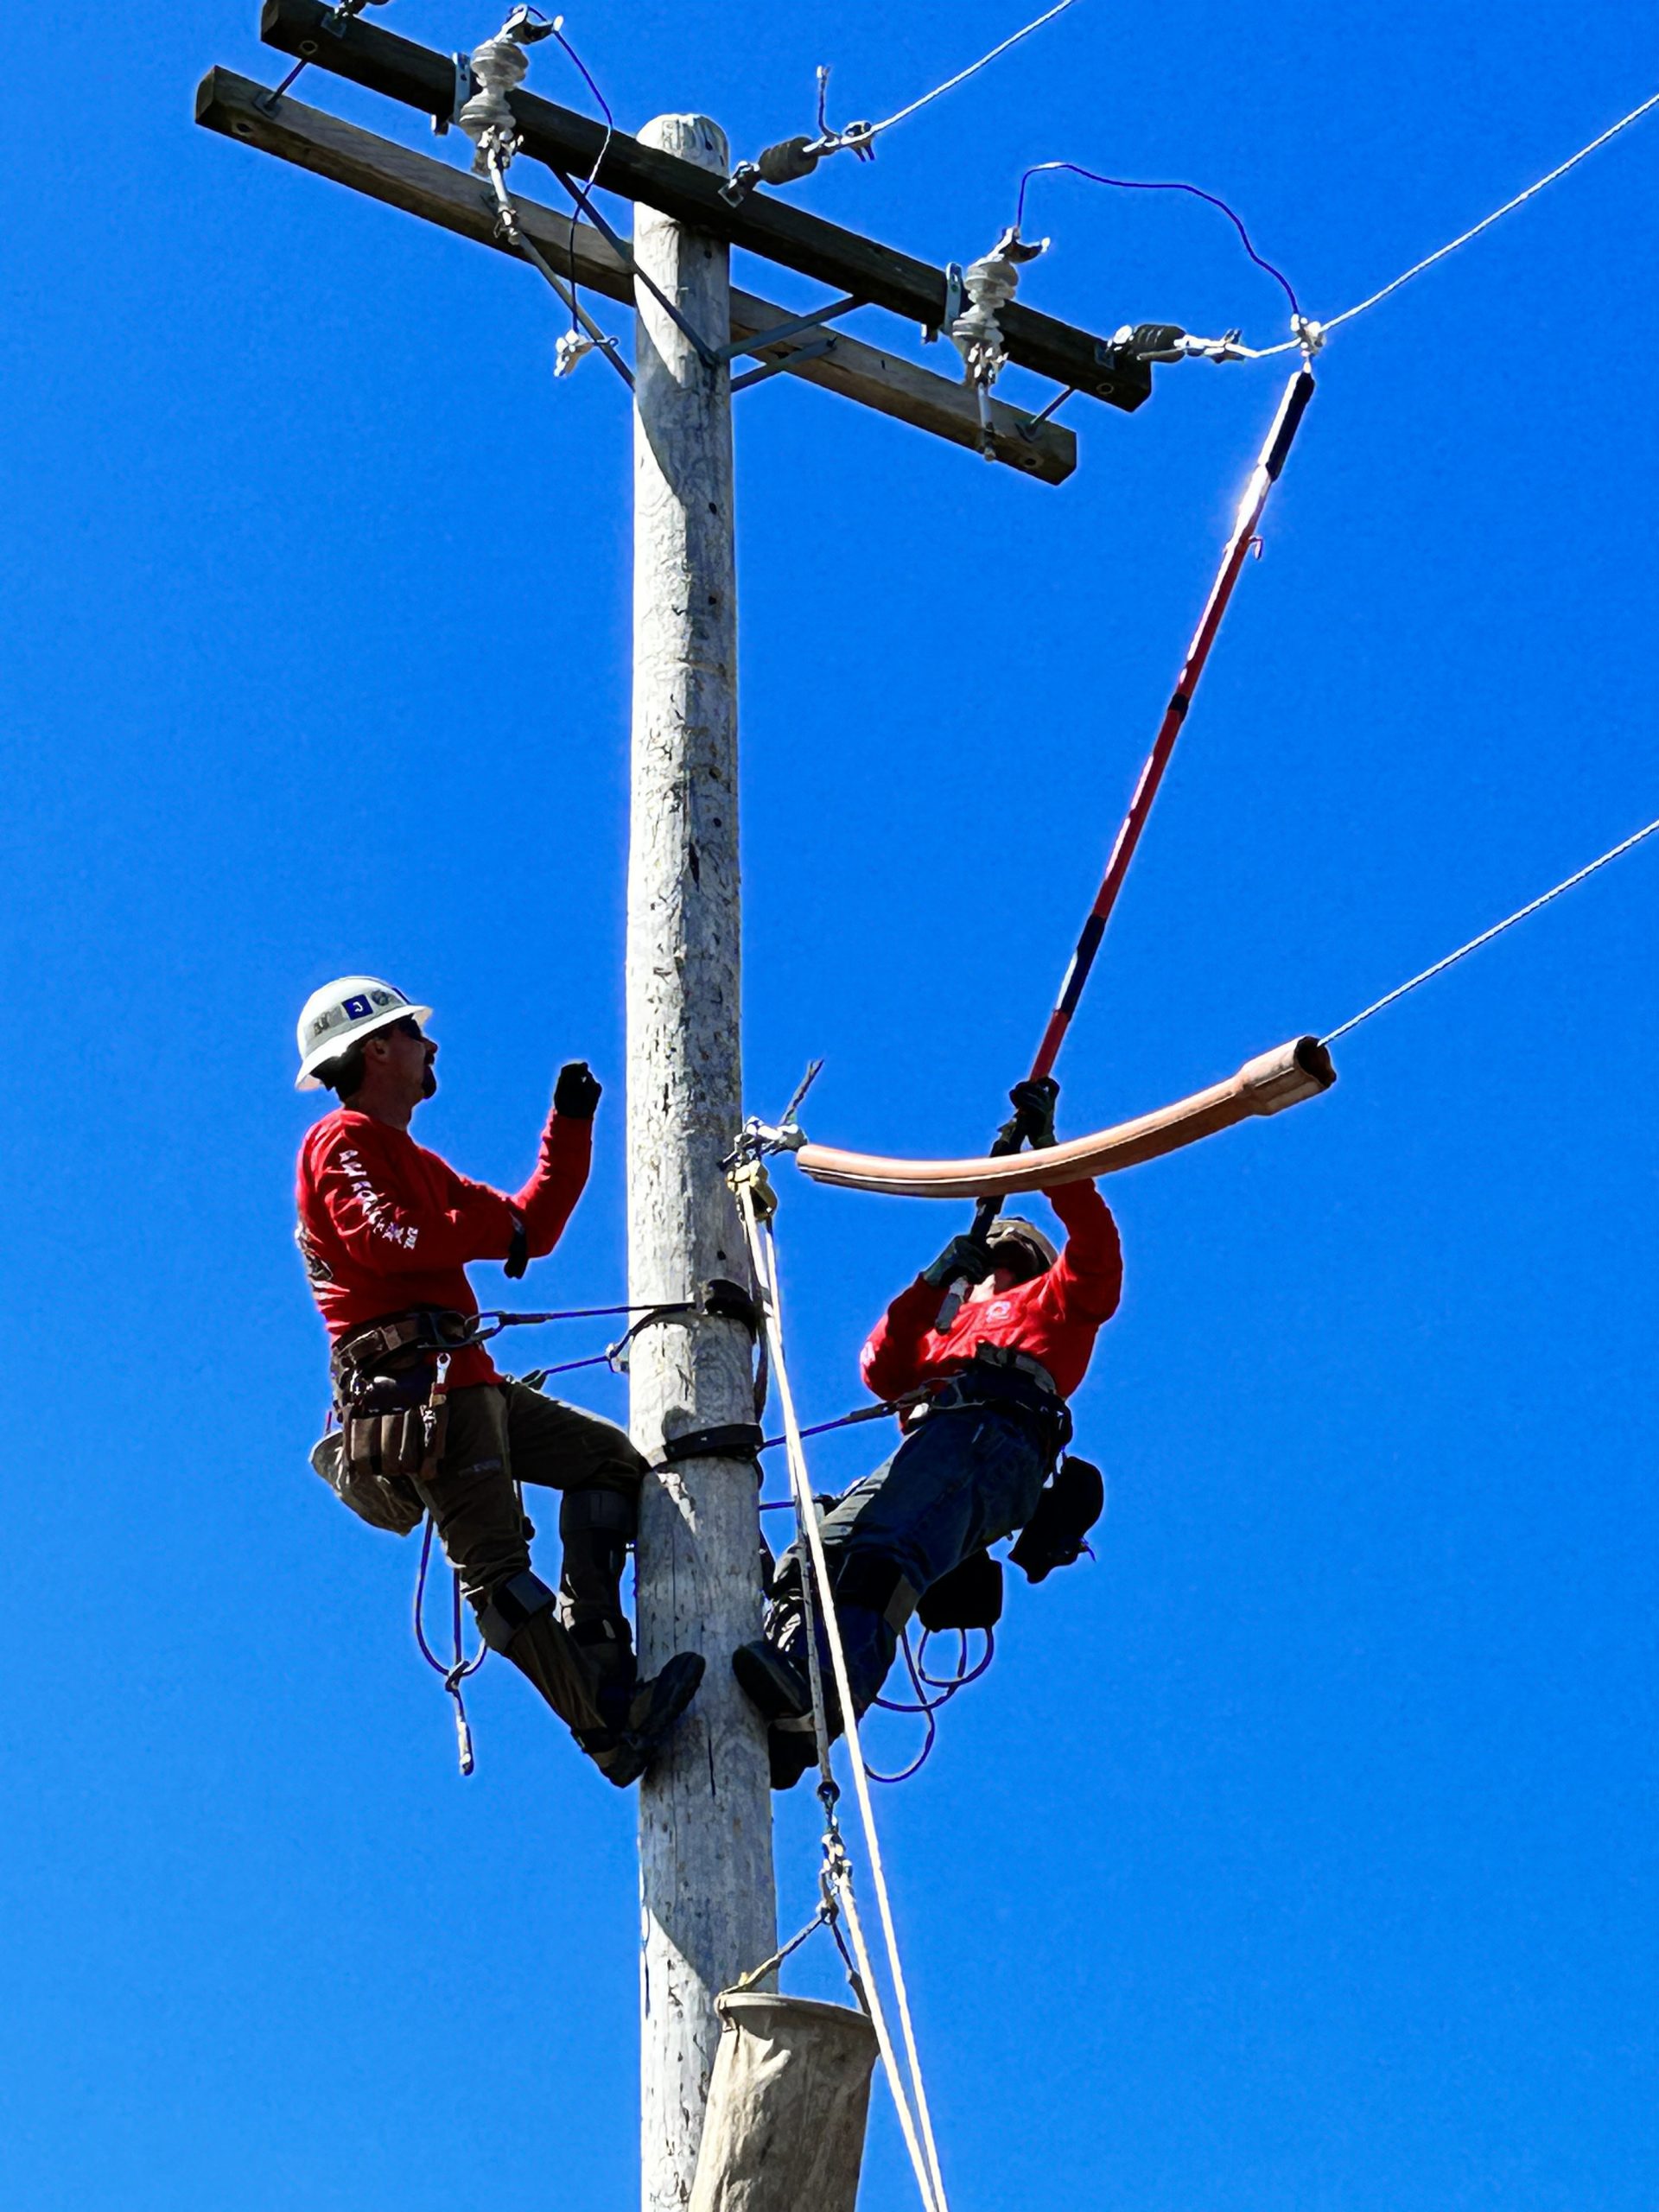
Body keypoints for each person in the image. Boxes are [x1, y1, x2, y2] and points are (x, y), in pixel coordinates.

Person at [292, 975, 703, 1786]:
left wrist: (571, 1125)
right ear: (377, 1049)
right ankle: (609, 1725)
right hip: (419, 1389)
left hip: (463, 1380)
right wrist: (487, 1229)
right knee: (495, 1570)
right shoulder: (341, 1143)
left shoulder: (411, 1158)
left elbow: (532, 1227)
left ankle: (597, 1645)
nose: (430, 1046)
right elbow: (392, 1244)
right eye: (414, 1034)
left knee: (608, 1463)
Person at [734, 1077, 1120, 1787]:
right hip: (941, 1445)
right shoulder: (948, 1331)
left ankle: (814, 1703)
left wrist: (1048, 1155)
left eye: (1004, 1261)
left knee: (884, 1553)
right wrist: (930, 1282)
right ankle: (791, 1696)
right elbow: (881, 1367)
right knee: (819, 1550)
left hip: (996, 1440)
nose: (990, 1275)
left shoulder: (1055, 1301)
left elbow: (1095, 1250)